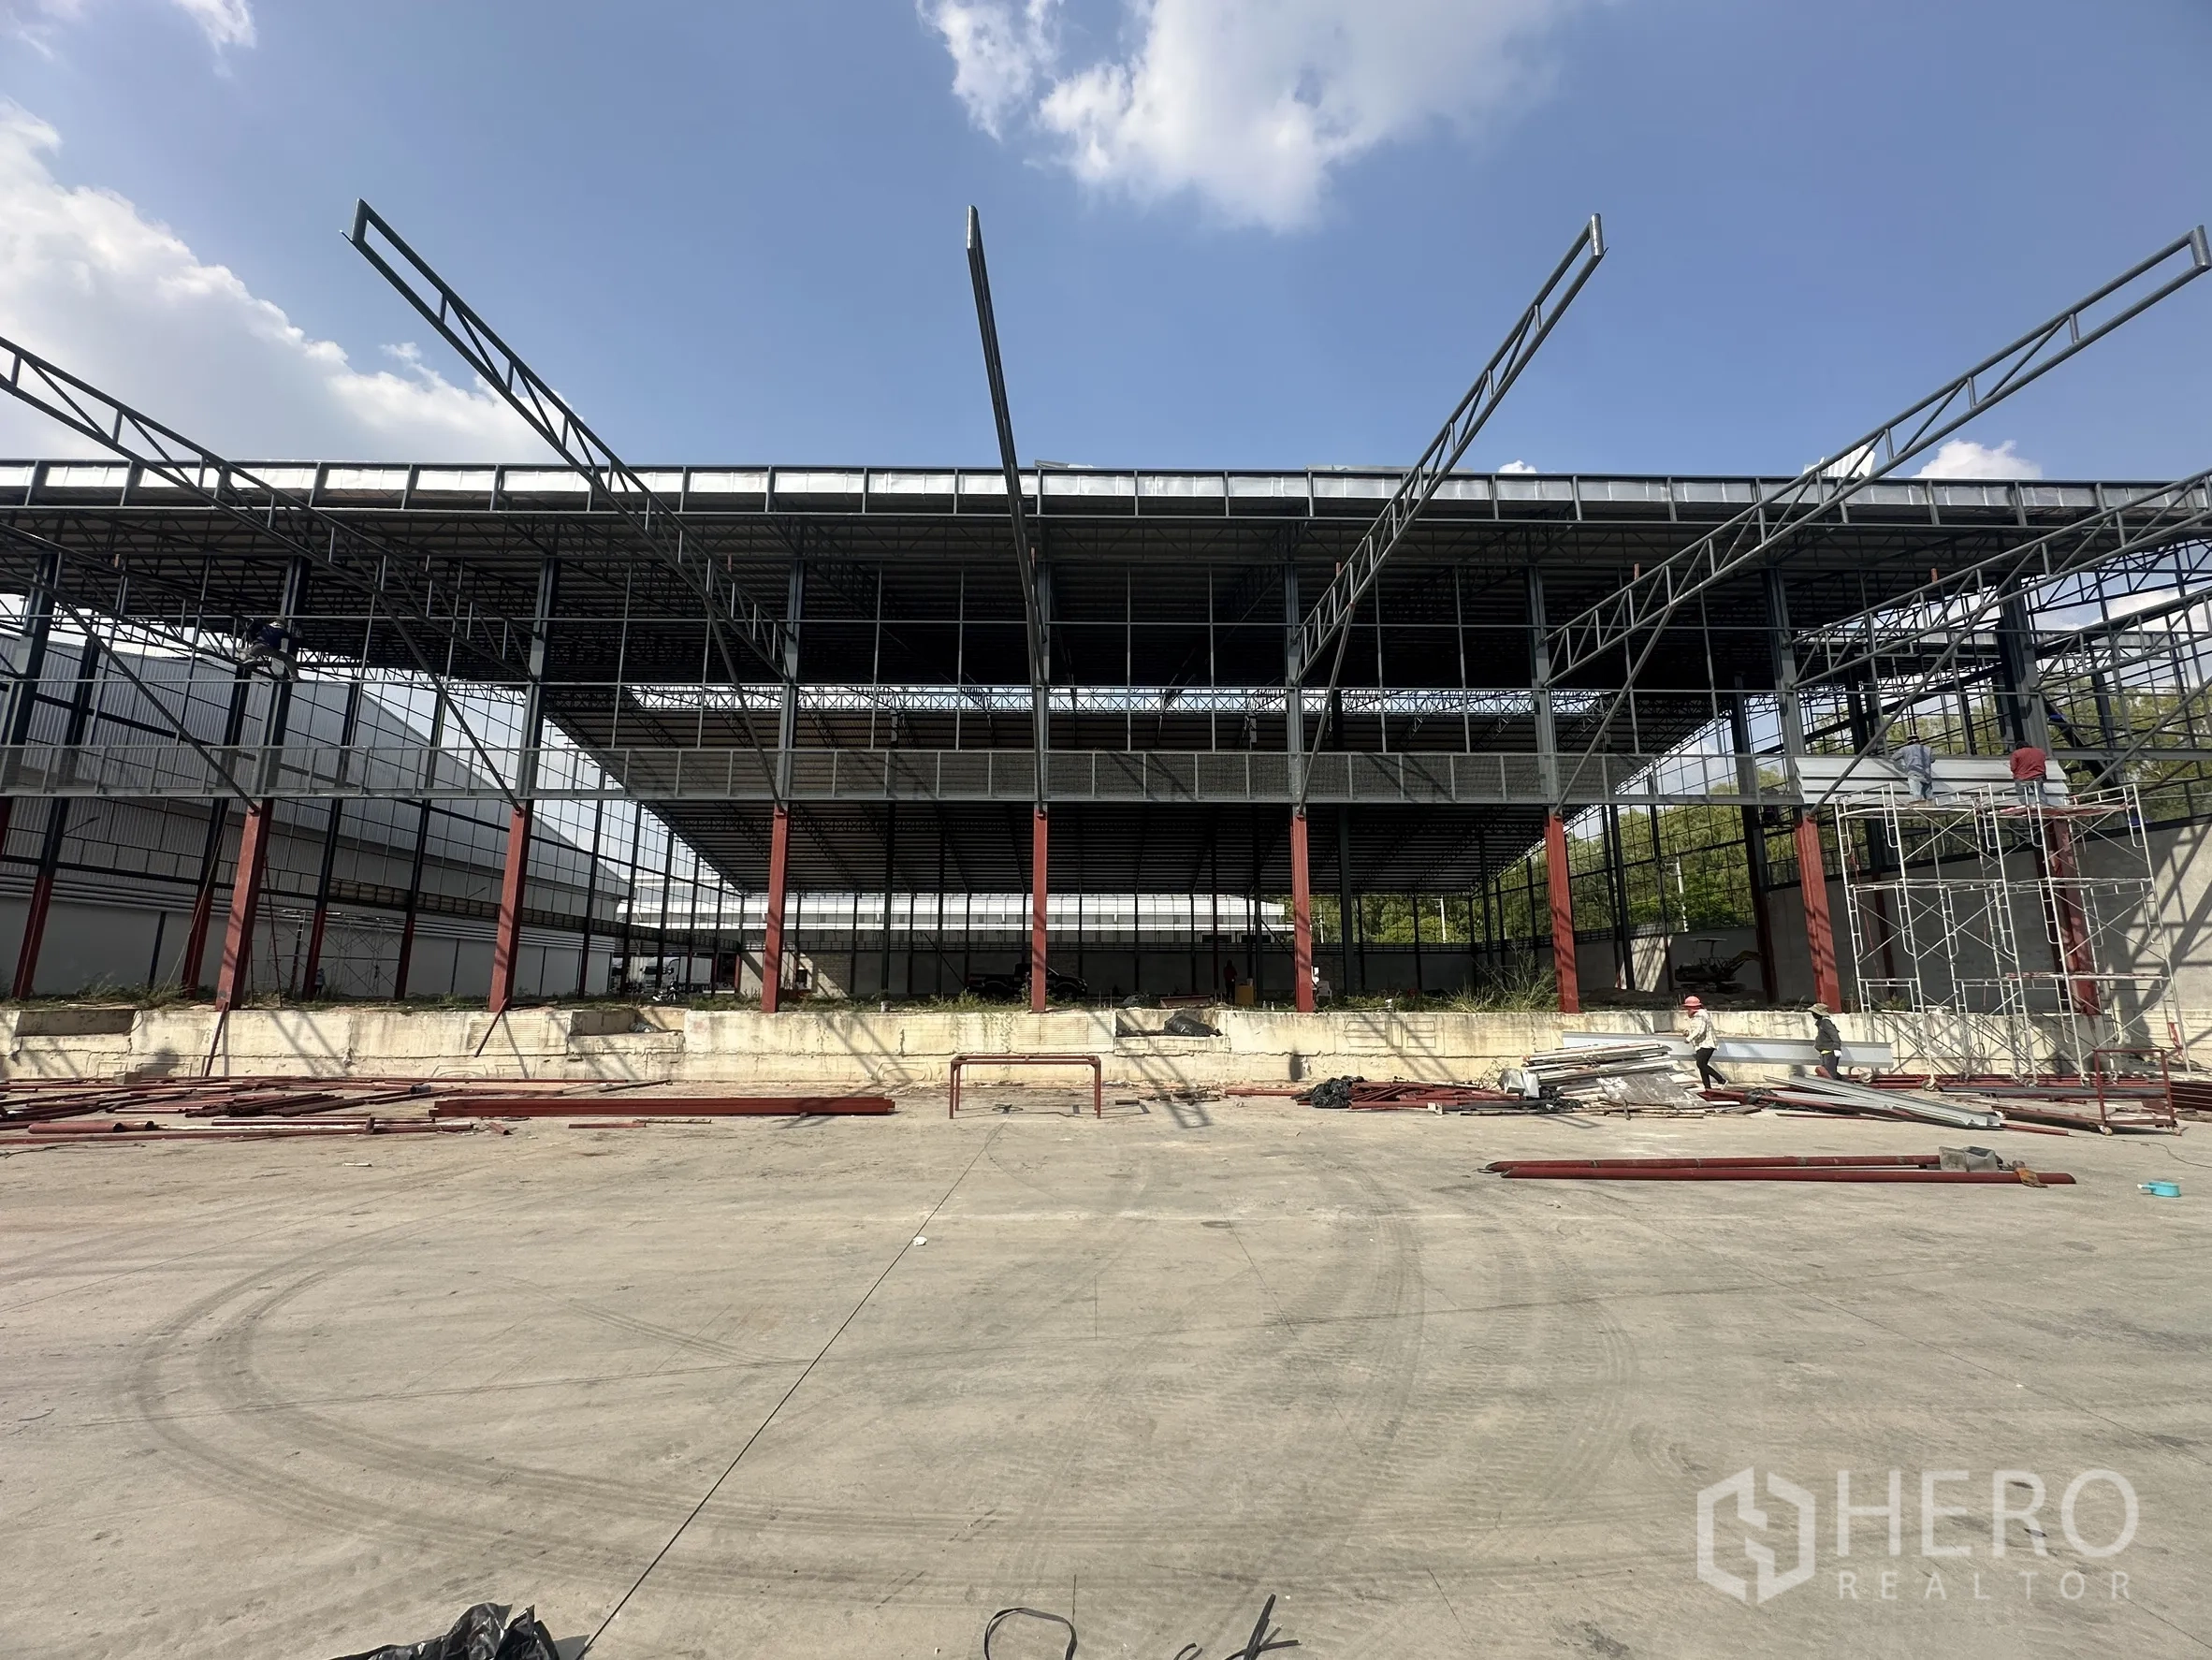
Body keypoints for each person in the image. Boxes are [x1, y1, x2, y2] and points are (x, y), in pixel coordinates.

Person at [1682, 995, 1724, 1089]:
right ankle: (1707, 1088)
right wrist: (1688, 1032)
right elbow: (1696, 1028)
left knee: (1700, 1064)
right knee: (1702, 1067)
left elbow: (1700, 1030)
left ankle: (1721, 1080)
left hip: (1707, 1044)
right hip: (1701, 1044)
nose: (1687, 1010)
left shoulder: (1700, 1015)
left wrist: (1688, 1039)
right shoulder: (1697, 1016)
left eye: (1688, 1008)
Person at [1894, 732, 1936, 802]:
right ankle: (1931, 805)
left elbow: (1894, 757)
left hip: (1914, 774)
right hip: (1927, 775)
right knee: (1929, 796)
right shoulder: (1928, 749)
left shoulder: (1905, 749)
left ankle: (1918, 806)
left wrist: (1902, 766)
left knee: (1917, 794)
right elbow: (1932, 760)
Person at [1810, 1001, 1843, 1080]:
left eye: (1814, 1012)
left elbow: (1835, 1035)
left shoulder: (1826, 1023)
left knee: (1830, 1074)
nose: (1813, 1014)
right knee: (1826, 1073)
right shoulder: (1821, 1023)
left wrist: (1836, 1048)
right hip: (1824, 1052)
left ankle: (1845, 1084)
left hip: (1830, 1052)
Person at [2010, 741, 2050, 807]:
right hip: (2038, 775)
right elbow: (2042, 762)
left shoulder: (2016, 753)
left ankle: (2027, 806)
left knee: (2022, 794)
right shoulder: (2040, 752)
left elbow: (2013, 767)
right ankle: (2043, 805)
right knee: (2040, 792)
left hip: (2022, 777)